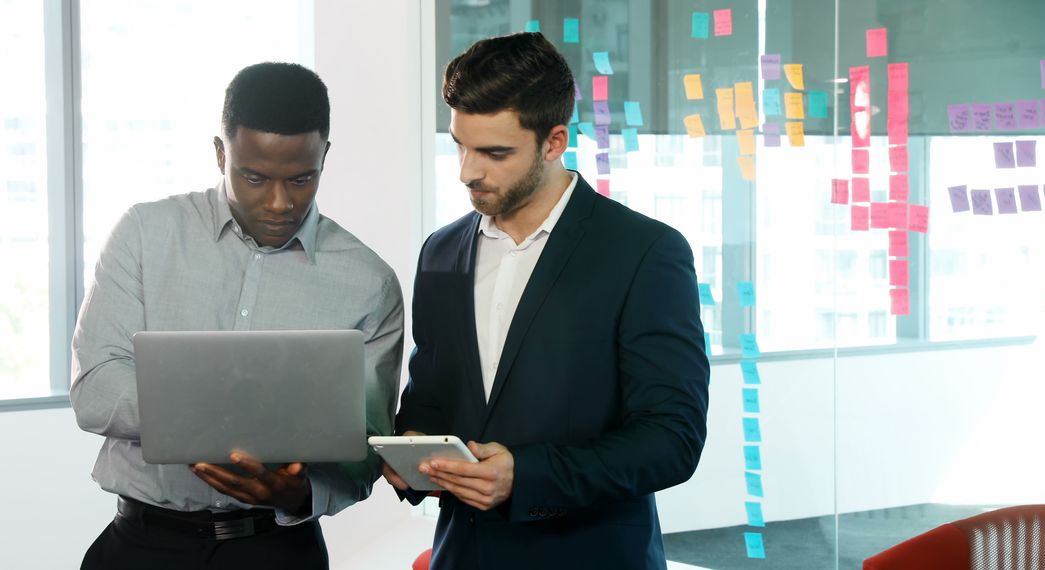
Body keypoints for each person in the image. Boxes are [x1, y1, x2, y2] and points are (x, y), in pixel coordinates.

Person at [385, 32, 710, 569]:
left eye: (494, 152)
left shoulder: (645, 252)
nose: (468, 170)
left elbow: (671, 439)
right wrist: (411, 450)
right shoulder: (440, 253)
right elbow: (429, 400)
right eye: (459, 145)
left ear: (555, 141)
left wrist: (526, 476)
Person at [70, 62, 404, 570]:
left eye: (301, 179)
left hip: (276, 549)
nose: (279, 202)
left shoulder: (369, 283)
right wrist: (239, 412)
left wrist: (298, 492)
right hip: (139, 547)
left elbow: (364, 452)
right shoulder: (145, 234)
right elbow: (95, 392)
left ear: (324, 156)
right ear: (220, 153)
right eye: (254, 177)